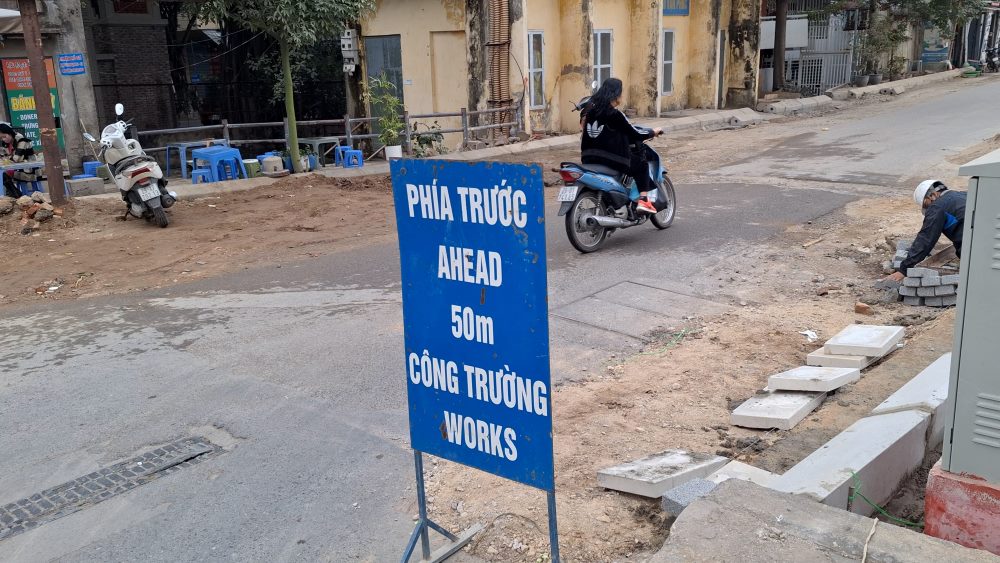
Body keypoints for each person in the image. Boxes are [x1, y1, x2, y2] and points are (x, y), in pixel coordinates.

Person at [580, 78, 663, 215]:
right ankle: (644, 200)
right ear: (616, 94)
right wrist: (652, 132)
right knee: (641, 165)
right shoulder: (615, 114)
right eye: (621, 93)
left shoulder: (590, 112)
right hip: (611, 159)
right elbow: (634, 133)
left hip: (588, 158)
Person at [885, 179, 966, 282]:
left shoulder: (938, 206)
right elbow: (962, 229)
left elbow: (926, 238)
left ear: (933, 195)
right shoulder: (963, 195)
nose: (928, 208)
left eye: (926, 204)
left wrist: (904, 269)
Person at [0, 123, 39, 199]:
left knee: (3, 176)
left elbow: (16, 159)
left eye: (4, 137)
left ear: (10, 132)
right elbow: (4, 157)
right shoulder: (7, 144)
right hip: (17, 168)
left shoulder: (22, 141)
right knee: (3, 175)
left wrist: (6, 159)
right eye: (1, 138)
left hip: (29, 169)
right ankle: (14, 194)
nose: (3, 139)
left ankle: (16, 195)